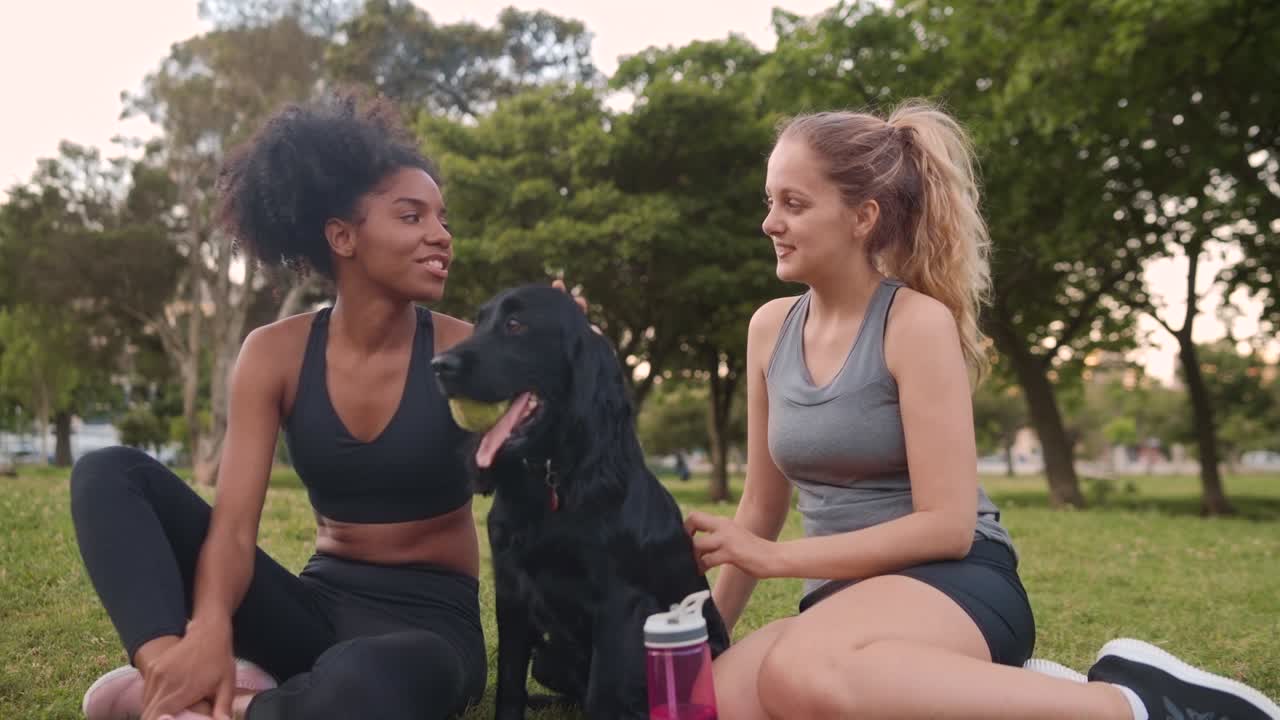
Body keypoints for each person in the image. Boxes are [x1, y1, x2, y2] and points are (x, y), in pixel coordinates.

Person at [684, 101, 1280, 720]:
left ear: (862, 217)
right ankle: (985, 689)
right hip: (841, 606)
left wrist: (780, 559)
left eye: (794, 204)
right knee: (707, 706)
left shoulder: (914, 324)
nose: (769, 223)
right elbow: (759, 508)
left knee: (799, 673)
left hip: (954, 583)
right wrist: (709, 638)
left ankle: (1133, 705)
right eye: (769, 201)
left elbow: (947, 525)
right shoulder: (770, 329)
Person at [70, 90, 581, 720]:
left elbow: (567, 469)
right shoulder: (274, 355)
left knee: (356, 683)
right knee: (108, 472)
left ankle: (231, 705)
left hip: (428, 631)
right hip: (314, 608)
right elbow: (231, 530)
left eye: (442, 219)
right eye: (412, 217)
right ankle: (173, 674)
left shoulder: (469, 351)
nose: (441, 236)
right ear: (342, 236)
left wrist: (574, 366)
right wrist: (207, 629)